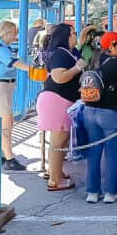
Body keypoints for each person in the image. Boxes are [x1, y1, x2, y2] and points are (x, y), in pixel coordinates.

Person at [83, 31, 117, 203]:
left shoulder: (91, 60)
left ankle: (92, 192)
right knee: (111, 153)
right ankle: (110, 192)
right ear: (111, 46)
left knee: (94, 152)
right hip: (111, 112)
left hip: (89, 110)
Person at [37, 23, 82, 192]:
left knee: (60, 141)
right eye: (73, 33)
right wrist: (78, 68)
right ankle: (55, 180)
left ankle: (55, 171)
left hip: (60, 100)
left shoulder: (64, 53)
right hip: (58, 100)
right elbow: (59, 77)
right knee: (58, 141)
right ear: (66, 36)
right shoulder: (60, 54)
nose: (75, 36)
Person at [0, 20, 34, 172]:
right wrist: (34, 70)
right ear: (7, 32)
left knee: (4, 121)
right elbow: (15, 63)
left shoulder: (3, 46)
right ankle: (9, 158)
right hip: (0, 86)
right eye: (15, 32)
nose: (16, 35)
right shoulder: (0, 47)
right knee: (7, 121)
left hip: (5, 85)